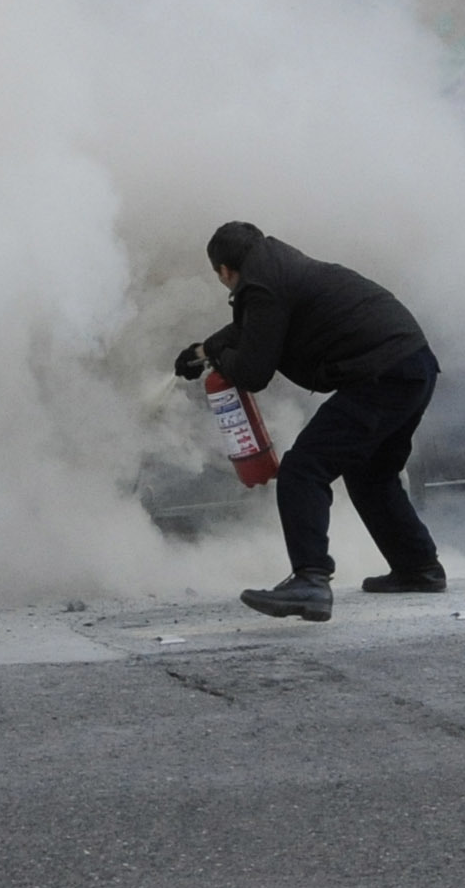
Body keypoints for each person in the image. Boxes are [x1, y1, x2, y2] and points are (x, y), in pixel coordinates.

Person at [174, 221, 445, 622]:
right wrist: (202, 350)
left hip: (383, 373)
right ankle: (418, 568)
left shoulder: (262, 285)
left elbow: (253, 372)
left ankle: (311, 580)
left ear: (224, 270)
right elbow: (251, 328)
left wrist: (218, 360)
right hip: (411, 364)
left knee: (303, 468)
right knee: (371, 474)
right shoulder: (277, 268)